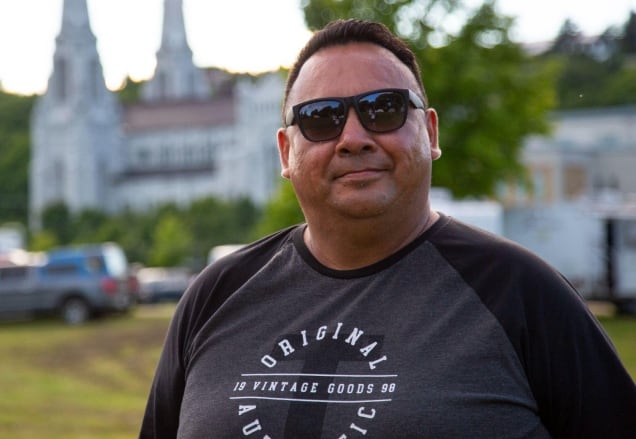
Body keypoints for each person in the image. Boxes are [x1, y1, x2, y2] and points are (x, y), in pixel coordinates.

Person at [140, 19, 636, 438]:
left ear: (431, 132)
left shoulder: (522, 293)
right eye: (320, 118)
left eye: (384, 109)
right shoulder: (213, 296)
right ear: (286, 153)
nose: (353, 138)